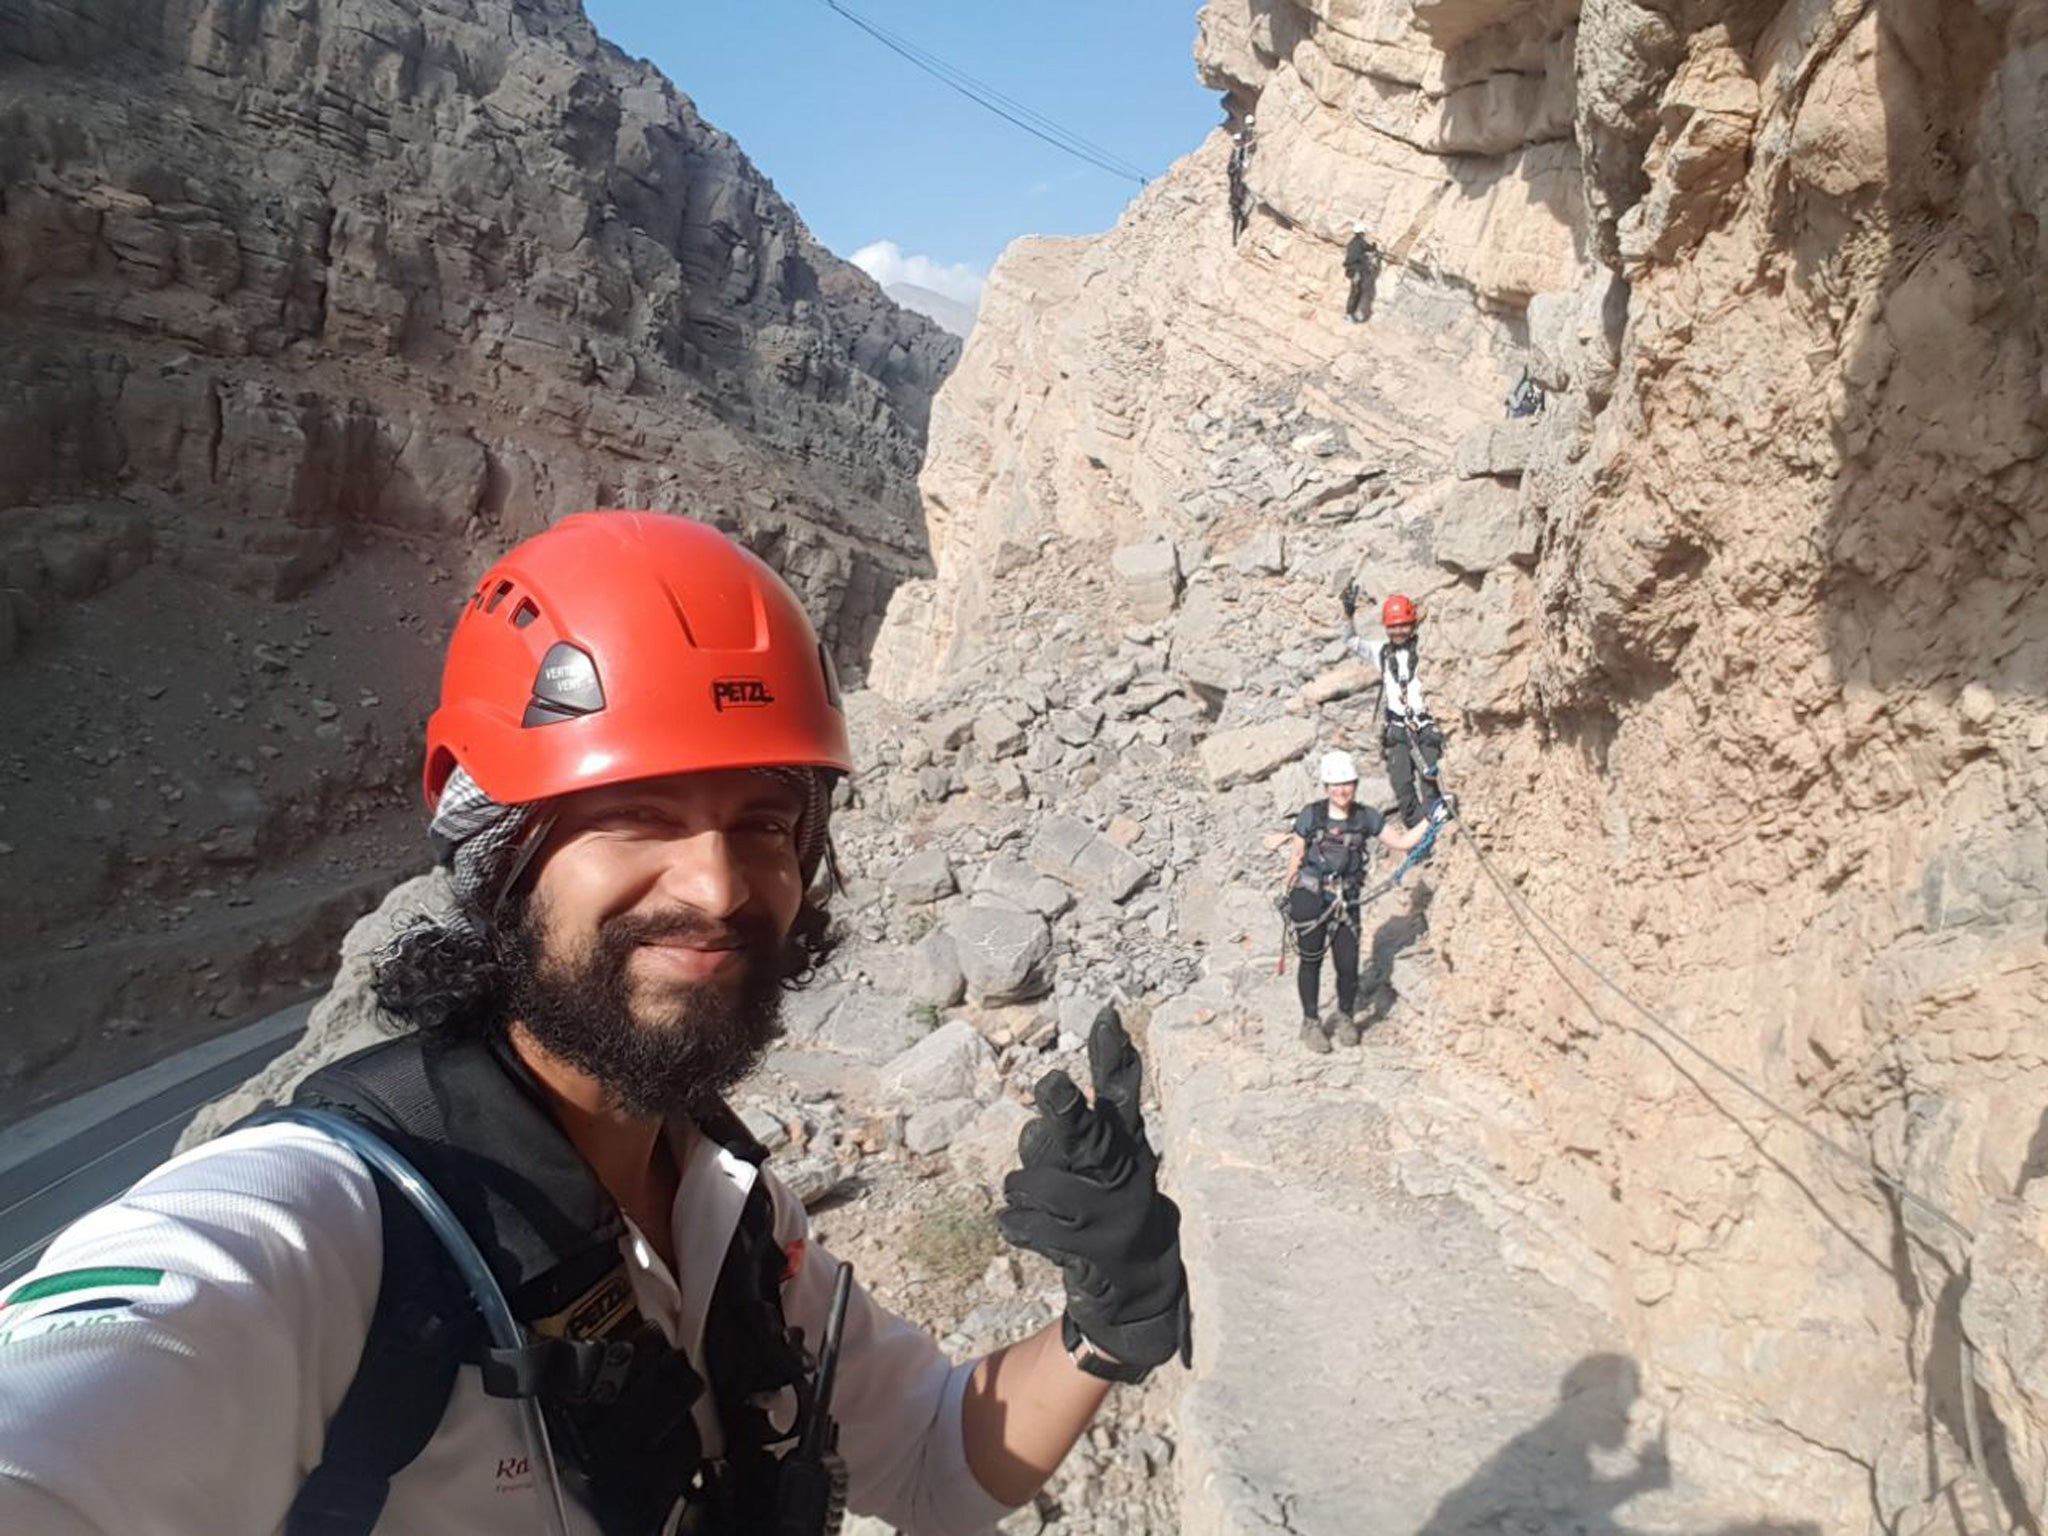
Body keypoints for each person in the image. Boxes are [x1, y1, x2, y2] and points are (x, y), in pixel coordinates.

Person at [0, 512, 1192, 1536]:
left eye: (763, 823)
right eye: (633, 815)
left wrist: (1107, 1324)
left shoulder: (733, 1211)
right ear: (497, 860)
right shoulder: (326, 1231)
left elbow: (934, 1463)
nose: (718, 888)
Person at [1281, 750, 1446, 1054]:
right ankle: (1311, 1022)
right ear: (1326, 787)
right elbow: (1296, 856)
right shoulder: (1311, 815)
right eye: (1335, 784)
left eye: (1347, 783)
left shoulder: (1365, 817)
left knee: (1347, 964)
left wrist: (1433, 818)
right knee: (1311, 960)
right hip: (1310, 894)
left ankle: (1345, 1016)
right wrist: (1289, 893)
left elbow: (1402, 842)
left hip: (1346, 898)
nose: (1342, 790)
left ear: (1355, 784)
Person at [1343, 581, 1445, 827]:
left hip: (1426, 726)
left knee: (1430, 785)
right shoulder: (1381, 652)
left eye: (1403, 625)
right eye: (1394, 626)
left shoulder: (1426, 649)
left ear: (1413, 624)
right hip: (1398, 730)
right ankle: (1420, 837)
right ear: (1386, 628)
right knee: (1402, 788)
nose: (1399, 631)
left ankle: (1436, 835)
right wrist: (1347, 615)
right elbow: (1351, 642)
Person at [1343, 221, 1379, 324]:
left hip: (1352, 270)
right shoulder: (1359, 242)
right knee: (1355, 292)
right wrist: (1373, 250)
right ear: (1362, 232)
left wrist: (1371, 248)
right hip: (1356, 271)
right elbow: (1366, 250)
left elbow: (1366, 248)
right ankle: (1349, 315)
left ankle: (1351, 314)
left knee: (1356, 292)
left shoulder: (1353, 242)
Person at [1228, 115, 1255, 241]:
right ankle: (1235, 237)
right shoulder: (1235, 150)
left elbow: (1248, 147)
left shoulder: (1250, 134)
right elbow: (1231, 164)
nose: (1237, 143)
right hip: (1238, 170)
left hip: (1245, 162)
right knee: (1236, 186)